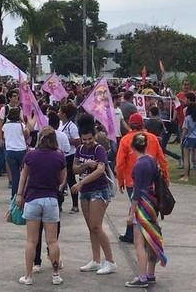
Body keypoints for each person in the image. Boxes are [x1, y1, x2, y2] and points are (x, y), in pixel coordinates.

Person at [15, 127, 66, 286]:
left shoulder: (30, 155)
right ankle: (56, 274)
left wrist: (19, 195)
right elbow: (63, 179)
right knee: (52, 241)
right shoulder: (59, 156)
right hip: (51, 199)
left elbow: (24, 176)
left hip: (33, 199)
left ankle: (29, 275)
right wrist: (57, 188)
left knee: (31, 240)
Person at [71, 114, 118, 275]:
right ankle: (96, 260)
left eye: (90, 138)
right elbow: (74, 168)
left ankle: (110, 261)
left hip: (99, 190)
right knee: (91, 227)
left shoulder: (99, 149)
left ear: (94, 135)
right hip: (85, 192)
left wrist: (81, 182)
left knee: (96, 225)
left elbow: (100, 170)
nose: (87, 142)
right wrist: (85, 165)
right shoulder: (80, 149)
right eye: (84, 139)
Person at [116, 112, 169, 244]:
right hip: (151, 180)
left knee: (136, 205)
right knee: (148, 205)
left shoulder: (125, 140)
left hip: (131, 180)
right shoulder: (152, 138)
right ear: (143, 124)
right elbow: (162, 160)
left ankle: (137, 234)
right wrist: (166, 177)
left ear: (129, 124)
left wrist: (120, 180)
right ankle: (138, 233)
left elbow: (120, 163)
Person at [124, 133, 168, 288]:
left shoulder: (138, 165)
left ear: (132, 146)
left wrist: (131, 213)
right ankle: (150, 273)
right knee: (152, 238)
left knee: (139, 243)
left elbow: (136, 193)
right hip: (152, 203)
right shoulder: (151, 160)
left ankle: (142, 277)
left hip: (142, 204)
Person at [3, 106, 32, 199]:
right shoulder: (21, 125)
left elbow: (4, 136)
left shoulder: (5, 125)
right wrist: (24, 123)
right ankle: (24, 193)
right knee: (25, 173)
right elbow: (27, 134)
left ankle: (14, 195)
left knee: (15, 175)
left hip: (10, 151)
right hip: (21, 150)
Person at [58, 102, 81, 213]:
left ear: (64, 114)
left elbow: (77, 141)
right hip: (61, 155)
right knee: (60, 180)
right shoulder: (60, 125)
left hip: (70, 155)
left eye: (60, 112)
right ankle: (60, 203)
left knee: (71, 180)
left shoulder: (72, 126)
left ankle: (75, 205)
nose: (58, 113)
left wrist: (66, 139)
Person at [179, 103, 196, 181]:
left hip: (188, 138)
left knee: (186, 158)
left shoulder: (187, 118)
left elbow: (185, 130)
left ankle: (186, 176)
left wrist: (182, 139)